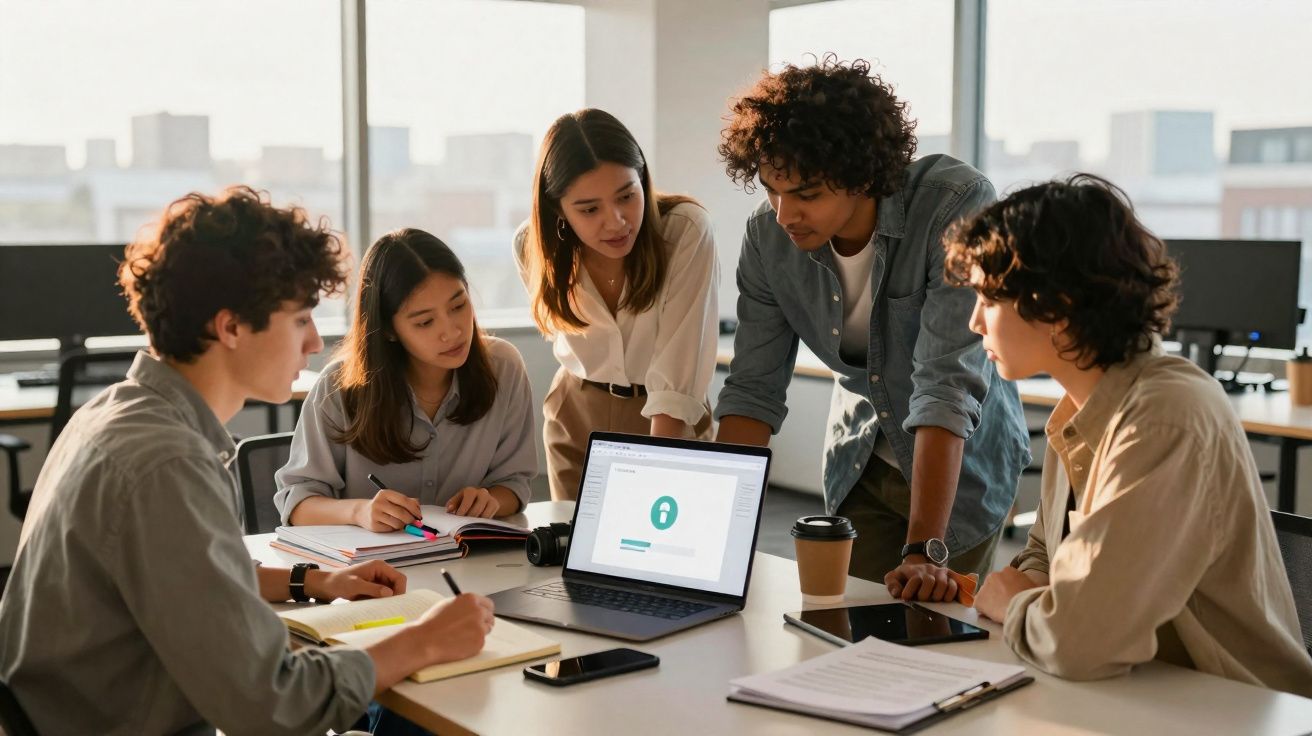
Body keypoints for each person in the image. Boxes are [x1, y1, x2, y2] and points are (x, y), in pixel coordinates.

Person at [0, 187, 496, 735]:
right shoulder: (166, 463)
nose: (313, 343)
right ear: (231, 327)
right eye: (300, 319)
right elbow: (270, 707)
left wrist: (314, 581)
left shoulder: (117, 413)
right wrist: (423, 641)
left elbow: (184, 577)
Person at [951, 174, 1312, 696]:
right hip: (1141, 692)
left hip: (1235, 709)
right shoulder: (1083, 406)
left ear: (1056, 305)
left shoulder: (1164, 419)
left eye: (988, 299)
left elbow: (1079, 638)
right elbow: (1045, 562)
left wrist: (1013, 604)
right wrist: (1037, 599)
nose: (975, 322)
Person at [714, 55, 1029, 597]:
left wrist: (925, 549)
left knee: (932, 640)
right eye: (771, 189)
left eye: (807, 194)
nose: (785, 213)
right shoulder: (768, 239)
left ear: (862, 175)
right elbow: (752, 390)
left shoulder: (951, 204)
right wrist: (717, 526)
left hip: (959, 474)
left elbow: (945, 387)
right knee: (846, 629)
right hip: (857, 463)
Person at [516, 108, 719, 500]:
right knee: (575, 554)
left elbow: (681, 361)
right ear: (557, 208)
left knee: (670, 550)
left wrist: (659, 464)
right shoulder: (532, 246)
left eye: (627, 195)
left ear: (643, 179)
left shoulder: (685, 230)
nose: (616, 221)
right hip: (575, 413)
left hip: (667, 416)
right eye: (589, 209)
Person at [275, 228, 536, 528]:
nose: (452, 331)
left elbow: (515, 483)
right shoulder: (339, 387)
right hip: (369, 569)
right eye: (425, 322)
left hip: (468, 563)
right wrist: (359, 513)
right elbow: (297, 503)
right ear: (388, 330)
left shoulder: (503, 368)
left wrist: (491, 499)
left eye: (458, 305)